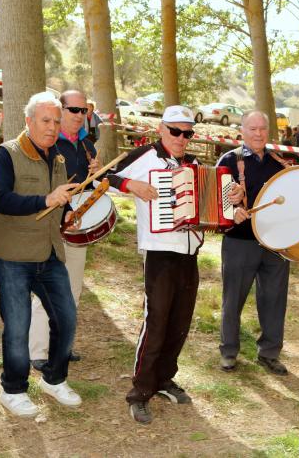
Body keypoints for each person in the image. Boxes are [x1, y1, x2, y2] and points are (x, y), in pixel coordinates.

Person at [106, 105, 241, 425]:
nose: (182, 138)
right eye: (176, 131)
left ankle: (165, 378)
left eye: (188, 133)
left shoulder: (195, 164)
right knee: (156, 323)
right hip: (159, 252)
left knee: (180, 321)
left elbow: (218, 207)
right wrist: (130, 186)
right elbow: (103, 179)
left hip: (189, 253)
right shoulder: (144, 157)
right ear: (162, 130)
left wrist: (232, 200)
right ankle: (140, 391)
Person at [0, 92, 82, 417]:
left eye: (56, 121)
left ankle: (54, 379)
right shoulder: (6, 154)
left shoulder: (58, 157)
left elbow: (59, 199)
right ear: (28, 121)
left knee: (67, 318)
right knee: (17, 326)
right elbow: (0, 200)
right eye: (46, 120)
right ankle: (12, 390)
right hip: (12, 255)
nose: (53, 127)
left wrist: (67, 210)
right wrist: (45, 200)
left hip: (49, 252)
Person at [216, 110, 292, 376]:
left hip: (275, 244)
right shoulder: (228, 160)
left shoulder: (280, 165)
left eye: (262, 128)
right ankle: (228, 352)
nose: (258, 134)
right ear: (242, 131)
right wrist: (231, 211)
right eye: (253, 129)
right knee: (233, 299)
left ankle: (270, 353)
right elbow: (215, 200)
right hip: (240, 242)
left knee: (274, 300)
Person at [29, 90, 100, 369]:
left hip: (77, 227)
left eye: (85, 111)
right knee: (45, 290)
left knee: (72, 289)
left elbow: (91, 189)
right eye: (74, 110)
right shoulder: (47, 141)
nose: (80, 116)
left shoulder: (88, 146)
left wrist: (96, 175)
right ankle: (37, 350)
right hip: (49, 226)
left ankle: (62, 345)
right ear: (61, 110)